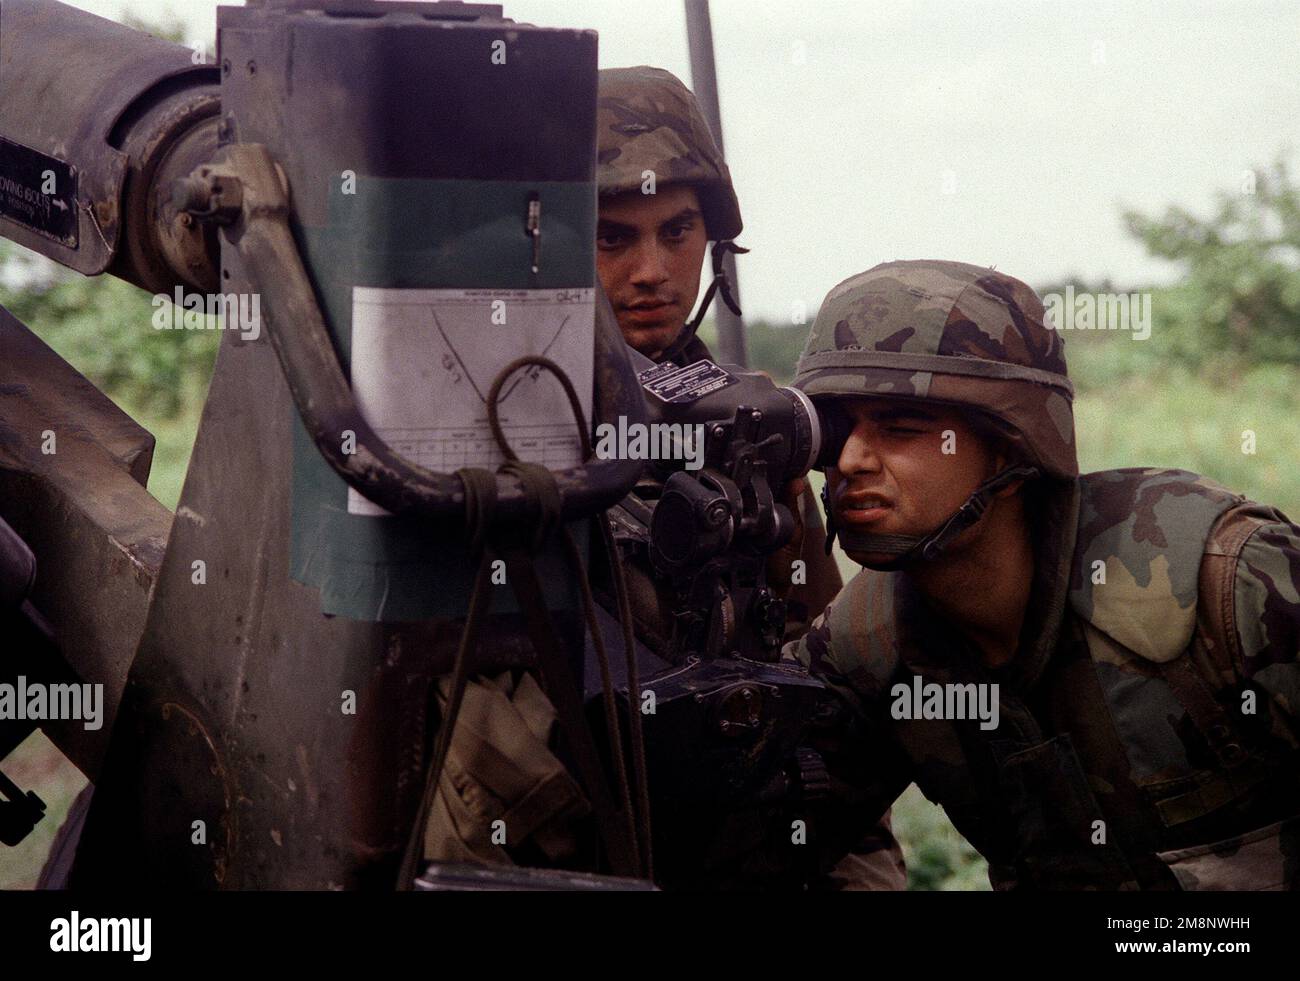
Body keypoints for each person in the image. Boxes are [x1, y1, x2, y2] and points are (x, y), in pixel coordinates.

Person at [785, 258, 1300, 890]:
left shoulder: (1224, 579)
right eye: (837, 429)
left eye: (901, 428)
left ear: (1010, 445)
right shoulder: (863, 643)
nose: (850, 460)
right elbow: (754, 844)